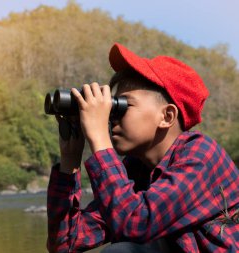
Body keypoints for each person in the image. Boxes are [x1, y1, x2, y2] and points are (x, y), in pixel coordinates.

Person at [46, 43, 239, 253]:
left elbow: (135, 224)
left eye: (123, 105)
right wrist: (70, 160)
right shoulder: (137, 170)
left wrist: (99, 138)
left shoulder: (201, 154)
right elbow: (65, 243)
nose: (112, 117)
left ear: (167, 117)